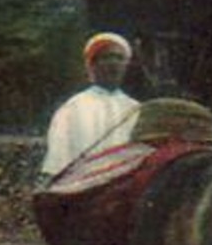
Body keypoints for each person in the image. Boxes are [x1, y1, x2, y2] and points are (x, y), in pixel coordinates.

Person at [38, 32, 141, 186]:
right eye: (106, 57)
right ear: (92, 65)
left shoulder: (135, 108)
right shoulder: (73, 108)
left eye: (119, 58)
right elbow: (58, 163)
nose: (113, 63)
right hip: (83, 191)